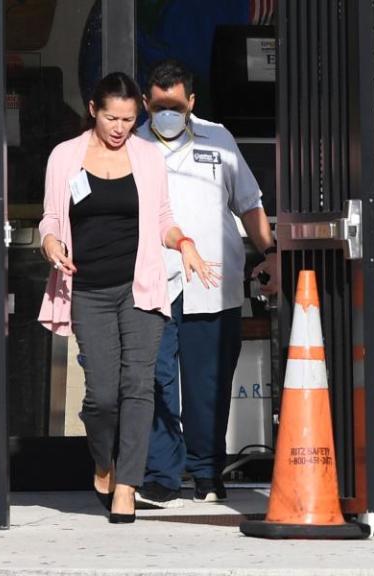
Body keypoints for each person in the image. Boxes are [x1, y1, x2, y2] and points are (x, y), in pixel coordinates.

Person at [37, 72, 216, 523]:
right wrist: (51, 244)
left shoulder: (147, 157)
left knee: (138, 387)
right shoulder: (65, 157)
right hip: (89, 291)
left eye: (129, 119)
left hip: (140, 289)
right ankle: (103, 462)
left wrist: (184, 243)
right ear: (94, 111)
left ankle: (126, 486)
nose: (120, 128)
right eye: (112, 117)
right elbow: (51, 219)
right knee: (101, 397)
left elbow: (162, 217)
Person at [134, 60, 279, 508]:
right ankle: (160, 473)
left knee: (208, 383)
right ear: (146, 103)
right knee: (155, 380)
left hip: (212, 280)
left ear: (191, 102)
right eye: (159, 106)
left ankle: (205, 472)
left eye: (175, 105)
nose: (167, 113)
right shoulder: (131, 145)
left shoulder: (220, 138)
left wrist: (270, 253)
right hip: (151, 282)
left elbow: (249, 202)